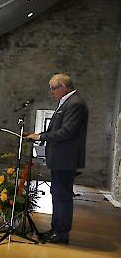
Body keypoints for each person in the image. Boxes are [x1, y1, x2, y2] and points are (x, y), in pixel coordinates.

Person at [25, 73, 88, 244]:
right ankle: (56, 229)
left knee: (62, 196)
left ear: (64, 87)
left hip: (65, 158)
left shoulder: (75, 104)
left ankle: (61, 234)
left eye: (53, 88)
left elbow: (68, 131)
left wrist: (41, 137)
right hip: (61, 158)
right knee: (57, 194)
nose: (51, 92)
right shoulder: (67, 102)